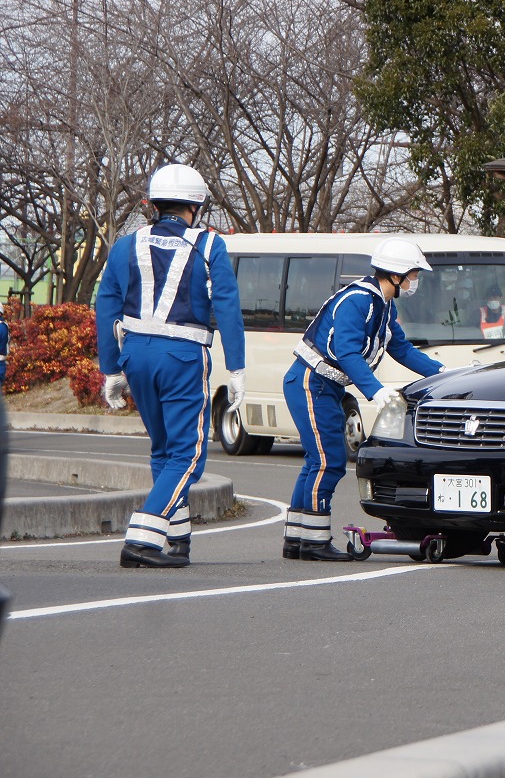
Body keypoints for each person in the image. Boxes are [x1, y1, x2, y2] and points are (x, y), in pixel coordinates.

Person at [95, 163, 246, 568]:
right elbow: (227, 307)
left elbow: (106, 303)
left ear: (153, 203)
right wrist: (237, 368)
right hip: (182, 354)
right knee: (189, 455)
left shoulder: (127, 244)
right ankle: (143, 538)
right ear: (196, 206)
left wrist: (111, 369)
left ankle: (176, 539)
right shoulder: (209, 245)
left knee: (163, 450)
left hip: (136, 355)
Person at [283, 237, 444, 561]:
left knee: (317, 462)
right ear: (397, 275)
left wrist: (442, 371)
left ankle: (297, 539)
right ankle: (314, 541)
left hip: (324, 386)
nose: (415, 281)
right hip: (311, 382)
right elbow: (346, 350)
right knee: (327, 461)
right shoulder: (359, 301)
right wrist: (375, 389)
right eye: (413, 274)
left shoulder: (383, 305)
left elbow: (401, 348)